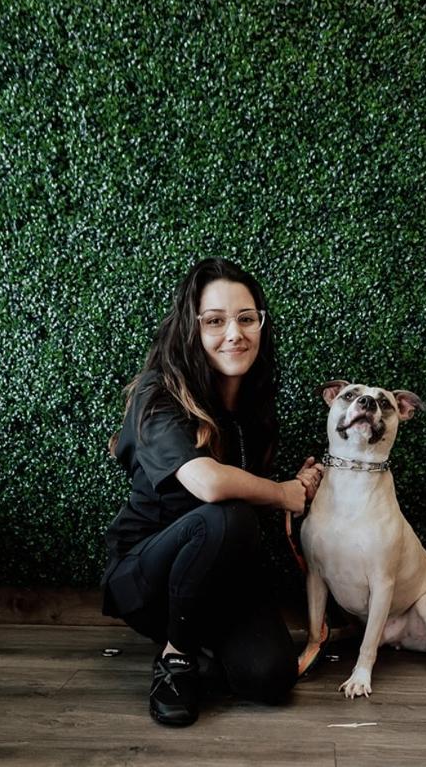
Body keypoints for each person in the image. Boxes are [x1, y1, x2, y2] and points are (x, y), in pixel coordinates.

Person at [101, 257, 323, 726]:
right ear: (191, 327)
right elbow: (209, 482)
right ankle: (176, 657)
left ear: (261, 324)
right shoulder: (158, 393)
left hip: (222, 578)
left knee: (270, 677)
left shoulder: (253, 404)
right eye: (215, 321)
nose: (234, 333)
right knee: (225, 514)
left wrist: (297, 486)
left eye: (246, 319)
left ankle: (200, 643)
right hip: (146, 576)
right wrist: (282, 493)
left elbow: (253, 487)